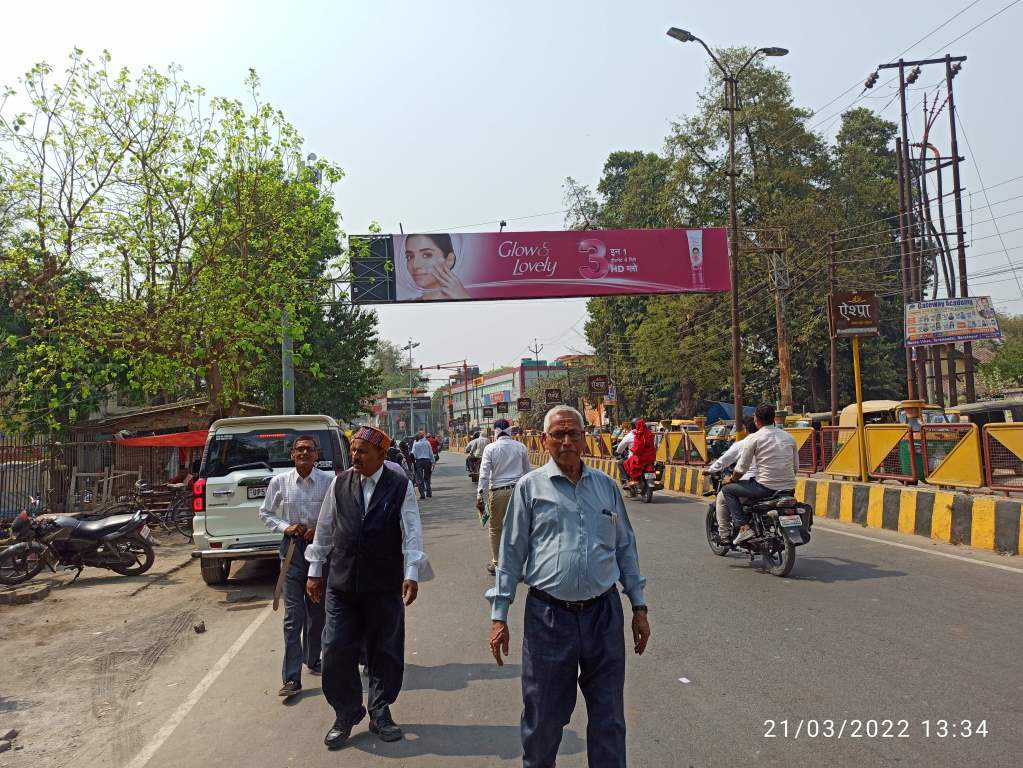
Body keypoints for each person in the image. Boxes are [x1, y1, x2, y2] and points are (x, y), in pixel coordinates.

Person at [487, 405, 650, 768]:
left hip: (603, 616)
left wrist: (639, 608)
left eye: (574, 433)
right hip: (549, 618)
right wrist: (499, 615)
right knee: (543, 719)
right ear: (544, 441)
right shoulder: (529, 488)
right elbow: (510, 555)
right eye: (558, 435)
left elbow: (626, 548)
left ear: (584, 437)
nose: (566, 441)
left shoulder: (606, 487)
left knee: (609, 719)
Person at [305, 426, 432, 749]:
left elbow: (412, 528)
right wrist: (315, 570)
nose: (355, 456)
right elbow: (324, 527)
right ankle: (346, 712)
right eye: (353, 450)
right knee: (334, 648)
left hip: (383, 583)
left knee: (385, 651)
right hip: (342, 583)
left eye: (361, 451)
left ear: (380, 453)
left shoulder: (399, 485)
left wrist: (412, 571)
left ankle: (380, 710)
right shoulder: (340, 483)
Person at [258, 435, 334, 697]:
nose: (303, 453)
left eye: (308, 449)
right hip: (292, 551)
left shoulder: (329, 481)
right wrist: (286, 526)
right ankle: (291, 678)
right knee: (293, 616)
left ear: (316, 454)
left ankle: (314, 659)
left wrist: (320, 530)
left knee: (318, 610)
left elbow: (337, 514)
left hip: (321, 550)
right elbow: (266, 512)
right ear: (292, 455)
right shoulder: (280, 482)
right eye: (299, 449)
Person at [722, 403, 799, 545]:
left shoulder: (754, 438)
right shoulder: (789, 437)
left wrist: (732, 480)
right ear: (774, 419)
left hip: (764, 488)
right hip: (789, 488)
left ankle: (744, 528)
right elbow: (795, 467)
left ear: (756, 420)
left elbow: (741, 468)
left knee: (727, 490)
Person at [476, 418, 531, 576]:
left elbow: (484, 475)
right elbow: (528, 474)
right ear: (509, 431)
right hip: (518, 492)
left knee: (495, 528)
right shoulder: (520, 447)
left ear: (495, 432)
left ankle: (497, 563)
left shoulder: (490, 448)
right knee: (518, 529)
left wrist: (481, 496)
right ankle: (518, 567)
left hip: (498, 492)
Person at [702, 416, 758, 544]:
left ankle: (725, 534)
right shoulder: (773, 440)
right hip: (776, 484)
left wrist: (711, 470)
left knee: (723, 496)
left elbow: (726, 460)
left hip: (753, 483)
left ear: (745, 429)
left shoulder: (746, 443)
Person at [402, 233, 471, 301]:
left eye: (426, 255)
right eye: (409, 257)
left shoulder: (466, 303)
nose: (415, 265)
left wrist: (464, 298)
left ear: (449, 260)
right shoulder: (406, 305)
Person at [622, 419, 656, 485]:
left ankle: (634, 480)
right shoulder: (650, 434)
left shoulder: (638, 435)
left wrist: (633, 450)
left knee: (628, 463)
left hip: (641, 458)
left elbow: (637, 448)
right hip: (651, 457)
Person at [412, 432, 435, 498]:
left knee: (420, 479)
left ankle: (422, 494)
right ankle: (429, 493)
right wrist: (433, 462)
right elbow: (431, 453)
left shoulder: (416, 444)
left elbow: (413, 454)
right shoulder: (427, 443)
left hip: (419, 461)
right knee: (427, 478)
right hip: (427, 461)